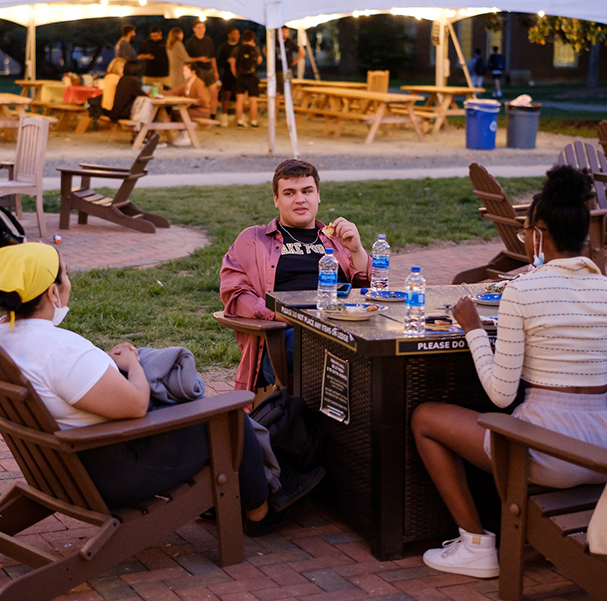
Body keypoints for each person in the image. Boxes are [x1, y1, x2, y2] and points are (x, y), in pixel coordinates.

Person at [411, 166, 607, 579]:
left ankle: (476, 545)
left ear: (538, 233)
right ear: (585, 234)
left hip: (545, 456)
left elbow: (501, 395)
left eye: (525, 232)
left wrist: (473, 331)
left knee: (425, 417)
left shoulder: (523, 290)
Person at [0, 242, 286, 535]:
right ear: (51, 292)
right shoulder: (59, 349)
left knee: (198, 411)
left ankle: (230, 500)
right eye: (65, 274)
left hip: (54, 470)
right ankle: (259, 513)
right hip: (111, 472)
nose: (69, 282)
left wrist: (104, 364)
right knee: (232, 420)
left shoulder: (5, 340)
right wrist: (133, 364)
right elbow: (136, 405)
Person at [220, 159, 372, 392]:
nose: (300, 199)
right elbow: (234, 294)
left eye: (307, 191)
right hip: (289, 336)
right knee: (346, 350)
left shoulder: (337, 239)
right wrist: (282, 315)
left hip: (344, 326)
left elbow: (368, 289)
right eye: (289, 192)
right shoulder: (254, 239)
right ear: (276, 200)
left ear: (318, 196)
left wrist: (356, 250)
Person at [164, 63, 212, 147]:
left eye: (185, 70)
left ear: (193, 72)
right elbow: (175, 92)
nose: (184, 73)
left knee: (178, 114)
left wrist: (190, 102)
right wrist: (162, 93)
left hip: (201, 111)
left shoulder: (198, 83)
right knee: (174, 113)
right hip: (192, 109)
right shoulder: (186, 83)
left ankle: (184, 136)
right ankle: (182, 135)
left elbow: (203, 100)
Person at [229, 29, 262, 128]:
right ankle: (254, 121)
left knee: (239, 100)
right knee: (253, 100)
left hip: (241, 77)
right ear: (253, 38)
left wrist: (237, 75)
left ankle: (239, 121)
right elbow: (259, 61)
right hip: (252, 76)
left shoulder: (237, 49)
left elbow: (232, 63)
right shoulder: (255, 49)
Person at [186, 20, 218, 117]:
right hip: (197, 70)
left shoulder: (208, 40)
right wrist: (199, 59)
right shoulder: (190, 42)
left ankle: (213, 114)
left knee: (214, 92)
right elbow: (186, 58)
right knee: (200, 94)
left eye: (203, 27)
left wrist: (215, 71)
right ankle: (200, 114)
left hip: (208, 69)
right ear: (194, 29)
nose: (201, 30)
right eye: (199, 27)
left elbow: (212, 57)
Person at [217, 26, 241, 125]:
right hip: (227, 74)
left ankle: (239, 117)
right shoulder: (224, 48)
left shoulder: (241, 47)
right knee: (226, 95)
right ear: (229, 35)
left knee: (239, 95)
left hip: (239, 75)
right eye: (234, 34)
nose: (236, 36)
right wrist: (228, 62)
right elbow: (219, 61)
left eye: (238, 34)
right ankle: (224, 117)